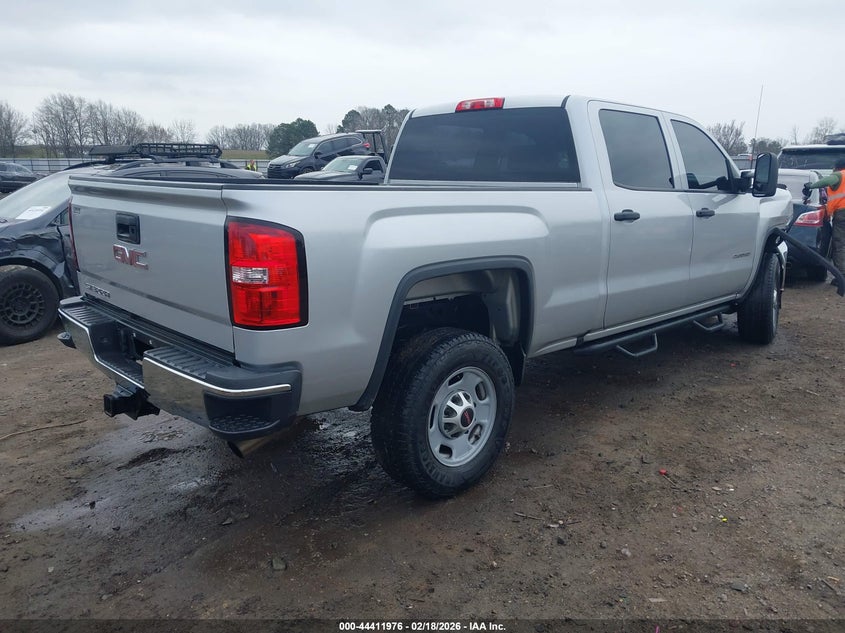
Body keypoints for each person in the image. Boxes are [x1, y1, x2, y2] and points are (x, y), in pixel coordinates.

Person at [804, 158, 845, 276]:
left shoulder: (839, 175)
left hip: (842, 213)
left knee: (840, 244)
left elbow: (825, 181)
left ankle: (841, 277)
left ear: (837, 167)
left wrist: (811, 186)